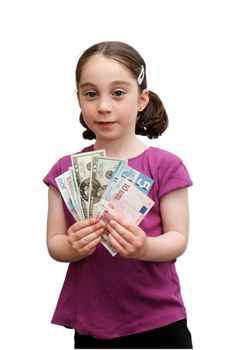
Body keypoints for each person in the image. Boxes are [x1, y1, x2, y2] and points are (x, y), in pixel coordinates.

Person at [43, 41, 193, 349]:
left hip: (159, 320)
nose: (104, 106)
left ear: (142, 99)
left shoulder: (165, 165)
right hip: (93, 323)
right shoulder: (65, 169)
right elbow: (54, 243)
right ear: (79, 100)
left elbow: (178, 237)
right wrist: (73, 246)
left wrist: (144, 247)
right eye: (91, 93)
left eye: (119, 92)